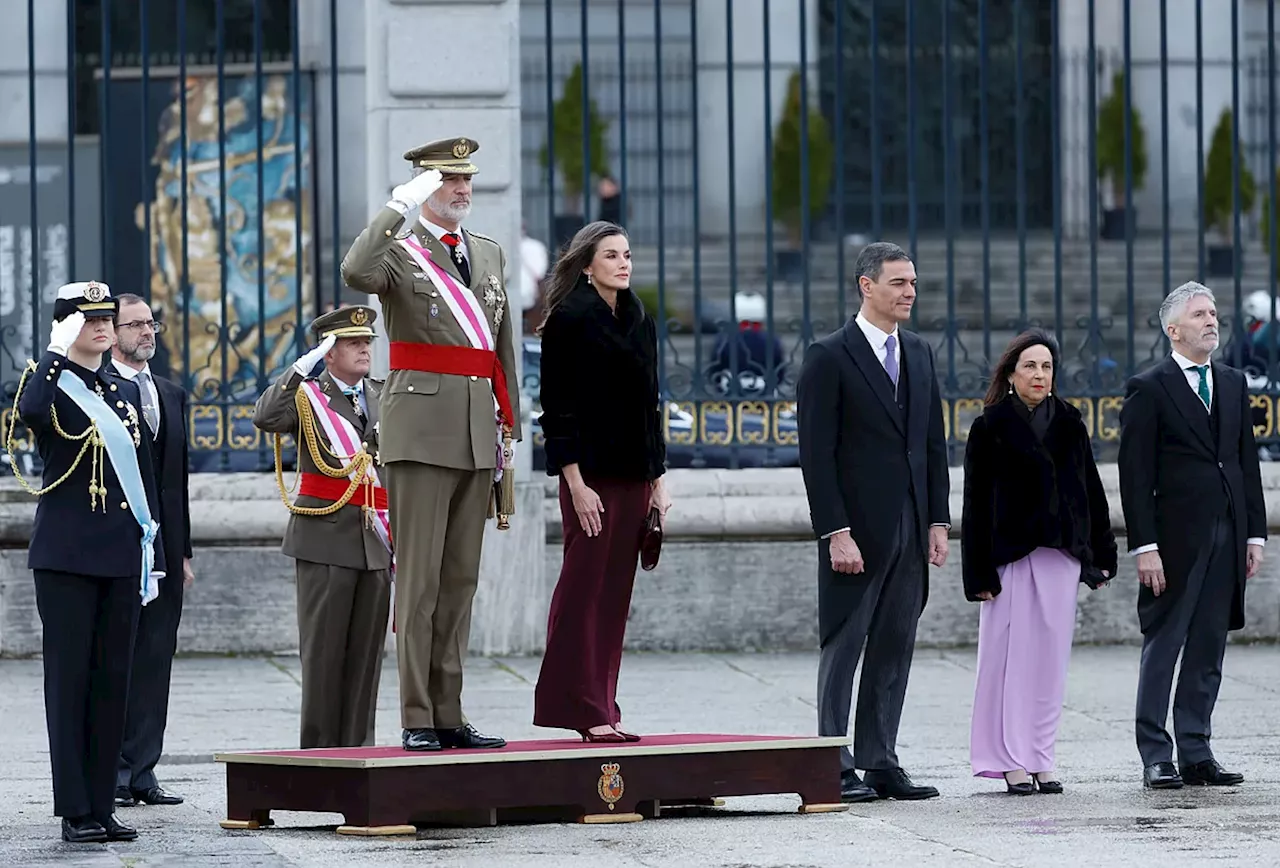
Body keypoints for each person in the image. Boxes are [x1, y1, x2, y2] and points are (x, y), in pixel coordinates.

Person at [341, 137, 521, 752]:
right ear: (423, 186)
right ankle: (417, 713)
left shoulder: (490, 254)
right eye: (448, 180)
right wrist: (398, 206)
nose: (462, 190)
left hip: (476, 429)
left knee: (459, 581)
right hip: (419, 432)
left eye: (467, 179)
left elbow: (501, 347)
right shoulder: (399, 251)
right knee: (417, 582)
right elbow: (355, 272)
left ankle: (449, 710)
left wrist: (510, 420)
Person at [797, 241, 950, 803]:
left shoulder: (921, 353)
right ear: (867, 286)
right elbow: (816, 455)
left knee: (895, 644)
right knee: (844, 647)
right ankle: (832, 763)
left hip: (911, 528)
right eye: (898, 283)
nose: (909, 292)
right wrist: (835, 531)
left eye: (912, 282)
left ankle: (881, 759)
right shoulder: (828, 356)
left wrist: (937, 520)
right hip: (856, 532)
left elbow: (932, 445)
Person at [13, 281, 165, 843]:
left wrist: (155, 554)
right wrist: (54, 354)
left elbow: (144, 480)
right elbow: (31, 413)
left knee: (112, 683)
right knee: (70, 682)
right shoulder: (49, 386)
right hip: (68, 558)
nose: (102, 328)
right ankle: (75, 809)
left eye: (107, 319)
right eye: (88, 320)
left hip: (120, 556)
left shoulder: (115, 391)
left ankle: (102, 805)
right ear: (66, 326)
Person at [1118, 281, 1265, 790]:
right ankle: (1156, 753)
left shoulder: (1232, 382)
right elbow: (1134, 476)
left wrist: (1255, 535)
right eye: (1200, 314)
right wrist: (1145, 546)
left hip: (1229, 532)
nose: (1211, 320)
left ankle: (1197, 748)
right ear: (1173, 329)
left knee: (1208, 644)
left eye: (1214, 312)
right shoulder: (1149, 387)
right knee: (1165, 643)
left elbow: (1244, 461)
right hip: (1174, 540)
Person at [531, 221, 671, 742]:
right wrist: (575, 482)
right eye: (611, 255)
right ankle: (576, 704)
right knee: (583, 589)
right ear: (587, 265)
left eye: (627, 254)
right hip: (590, 480)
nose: (623, 263)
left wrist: (659, 478)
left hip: (635, 477)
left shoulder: (640, 318)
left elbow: (650, 405)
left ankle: (603, 705)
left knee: (615, 594)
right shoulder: (570, 319)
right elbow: (557, 409)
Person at [962, 329, 1118, 795]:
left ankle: (1041, 756)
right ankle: (1009, 759)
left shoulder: (1070, 421)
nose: (1039, 375)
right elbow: (973, 505)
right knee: (1007, 660)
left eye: (1047, 367)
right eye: (1030, 366)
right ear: (1011, 373)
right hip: (1008, 558)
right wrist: (978, 574)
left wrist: (1101, 555)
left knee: (1049, 662)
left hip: (1061, 556)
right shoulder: (989, 426)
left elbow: (1090, 492)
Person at [252, 305, 392, 749]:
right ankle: (319, 755)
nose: (364, 349)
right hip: (325, 539)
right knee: (324, 656)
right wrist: (298, 370)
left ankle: (358, 751)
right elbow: (265, 417)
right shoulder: (308, 395)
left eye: (367, 342)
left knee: (365, 660)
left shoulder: (383, 393)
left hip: (375, 541)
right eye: (352, 343)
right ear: (328, 352)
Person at [109, 293, 193, 809]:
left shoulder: (171, 392)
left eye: (150, 324)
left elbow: (176, 484)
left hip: (164, 550)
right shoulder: (100, 390)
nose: (147, 332)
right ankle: (114, 770)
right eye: (135, 325)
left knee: (157, 657)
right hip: (119, 550)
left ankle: (144, 769)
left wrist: (182, 553)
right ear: (112, 332)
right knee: (120, 656)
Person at [520, 221, 549, 335]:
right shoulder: (535, 246)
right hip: (529, 294)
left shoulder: (534, 246)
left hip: (529, 294)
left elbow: (539, 272)